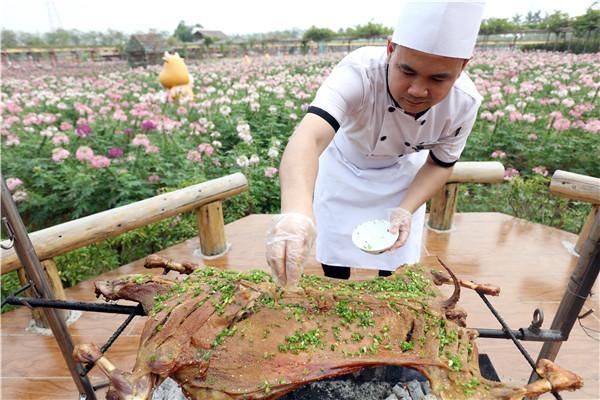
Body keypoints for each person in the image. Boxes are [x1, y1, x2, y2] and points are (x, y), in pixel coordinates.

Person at [266, 1, 485, 287]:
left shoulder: (464, 102)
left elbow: (440, 164)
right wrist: (295, 212)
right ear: (390, 50)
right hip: (343, 168)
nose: (418, 90)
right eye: (407, 72)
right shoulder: (358, 73)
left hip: (403, 178)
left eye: (438, 78)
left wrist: (407, 208)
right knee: (334, 254)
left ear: (462, 67)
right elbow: (309, 136)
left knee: (395, 261)